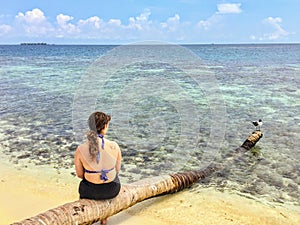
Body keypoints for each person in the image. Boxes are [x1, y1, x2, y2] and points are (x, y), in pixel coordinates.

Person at [74, 111, 122, 224]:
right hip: (111, 190)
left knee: (83, 185)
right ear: (104, 126)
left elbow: (80, 175)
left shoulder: (81, 149)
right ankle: (104, 220)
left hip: (90, 191)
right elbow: (117, 170)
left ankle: (84, 218)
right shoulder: (114, 146)